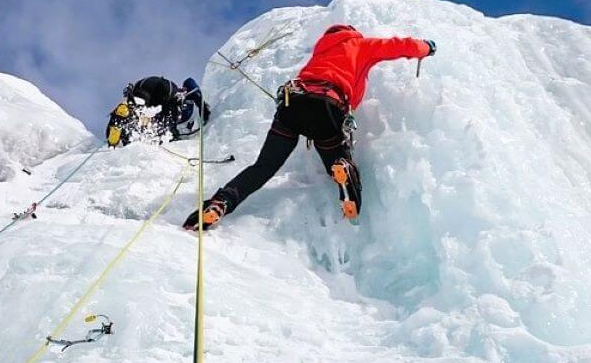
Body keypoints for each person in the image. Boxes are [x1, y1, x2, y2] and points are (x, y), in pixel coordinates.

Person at [183, 25, 435, 231]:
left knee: (263, 167)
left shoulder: (320, 52)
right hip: (328, 107)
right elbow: (398, 46)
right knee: (336, 158)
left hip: (293, 105)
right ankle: (343, 170)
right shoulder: (360, 44)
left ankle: (221, 202)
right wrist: (426, 47)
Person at [106, 76, 210, 146]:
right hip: (157, 98)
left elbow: (168, 113)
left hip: (161, 98)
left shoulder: (157, 96)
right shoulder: (145, 95)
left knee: (161, 120)